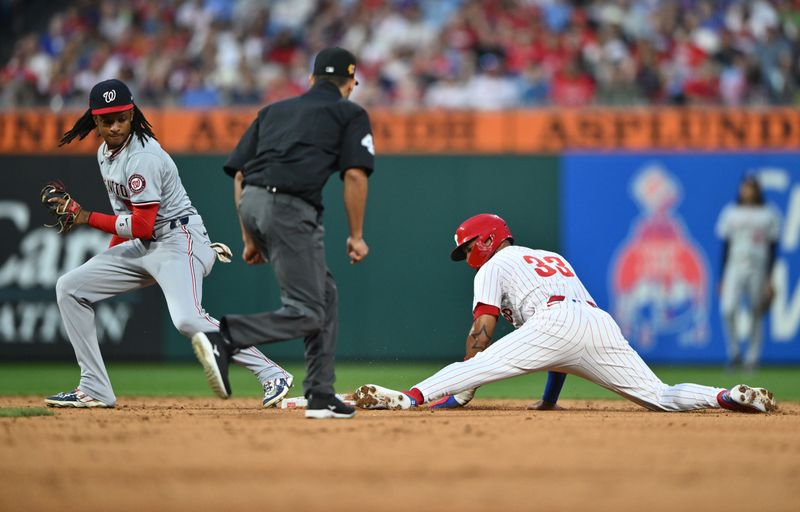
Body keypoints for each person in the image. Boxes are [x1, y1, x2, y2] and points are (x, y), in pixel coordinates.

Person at [354, 214, 777, 414]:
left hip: (556, 322)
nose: (467, 255)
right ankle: (724, 396)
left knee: (480, 362)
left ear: (486, 241)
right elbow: (560, 350)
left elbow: (482, 331)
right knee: (659, 396)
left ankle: (408, 398)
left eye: (467, 247)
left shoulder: (494, 265)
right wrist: (548, 403)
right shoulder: (550, 256)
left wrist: (467, 385)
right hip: (598, 322)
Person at [44, 78, 293, 409]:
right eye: (107, 120)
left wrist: (84, 216)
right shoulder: (105, 153)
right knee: (70, 287)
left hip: (178, 240)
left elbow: (144, 225)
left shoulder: (142, 157)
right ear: (95, 120)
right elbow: (128, 220)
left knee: (187, 320)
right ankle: (94, 387)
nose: (115, 126)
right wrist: (106, 265)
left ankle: (272, 373)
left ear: (132, 114)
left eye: (121, 117)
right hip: (144, 247)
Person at [191, 47, 374, 420]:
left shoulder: (274, 110)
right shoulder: (349, 112)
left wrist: (248, 237)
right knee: (307, 313)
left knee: (325, 294)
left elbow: (240, 174)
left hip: (253, 203)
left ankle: (320, 394)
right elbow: (355, 174)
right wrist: (356, 235)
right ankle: (226, 336)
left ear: (310, 80)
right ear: (351, 83)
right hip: (290, 208)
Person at [716, 175, 782, 372]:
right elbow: (725, 245)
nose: (748, 191)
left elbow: (772, 247)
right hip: (735, 265)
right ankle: (734, 353)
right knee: (727, 309)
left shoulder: (768, 213)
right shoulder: (731, 212)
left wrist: (770, 278)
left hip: (758, 267)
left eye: (751, 187)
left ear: (757, 190)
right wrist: (722, 277)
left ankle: (752, 358)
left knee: (756, 310)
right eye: (745, 187)